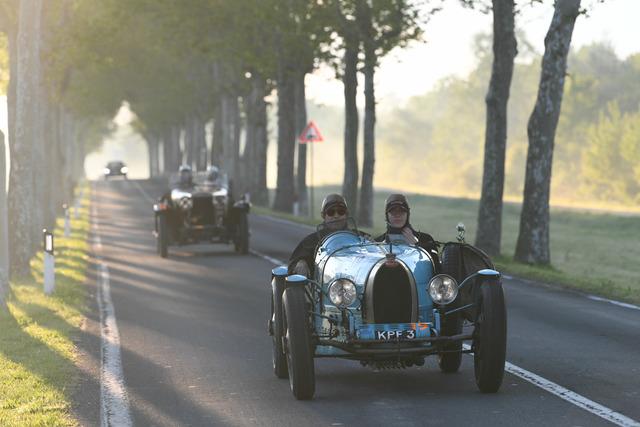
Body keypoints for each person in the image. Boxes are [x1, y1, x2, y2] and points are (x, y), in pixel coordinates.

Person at [288, 194, 350, 276]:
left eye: (341, 212)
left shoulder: (360, 238)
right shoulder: (311, 240)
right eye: (331, 212)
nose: (336, 216)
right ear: (323, 215)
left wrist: (370, 245)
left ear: (346, 214)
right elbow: (293, 263)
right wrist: (301, 263)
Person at [375, 194, 440, 269]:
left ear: (407, 214)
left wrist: (417, 245)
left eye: (401, 211)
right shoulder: (377, 243)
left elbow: (436, 269)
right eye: (393, 212)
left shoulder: (426, 239)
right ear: (387, 215)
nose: (397, 215)